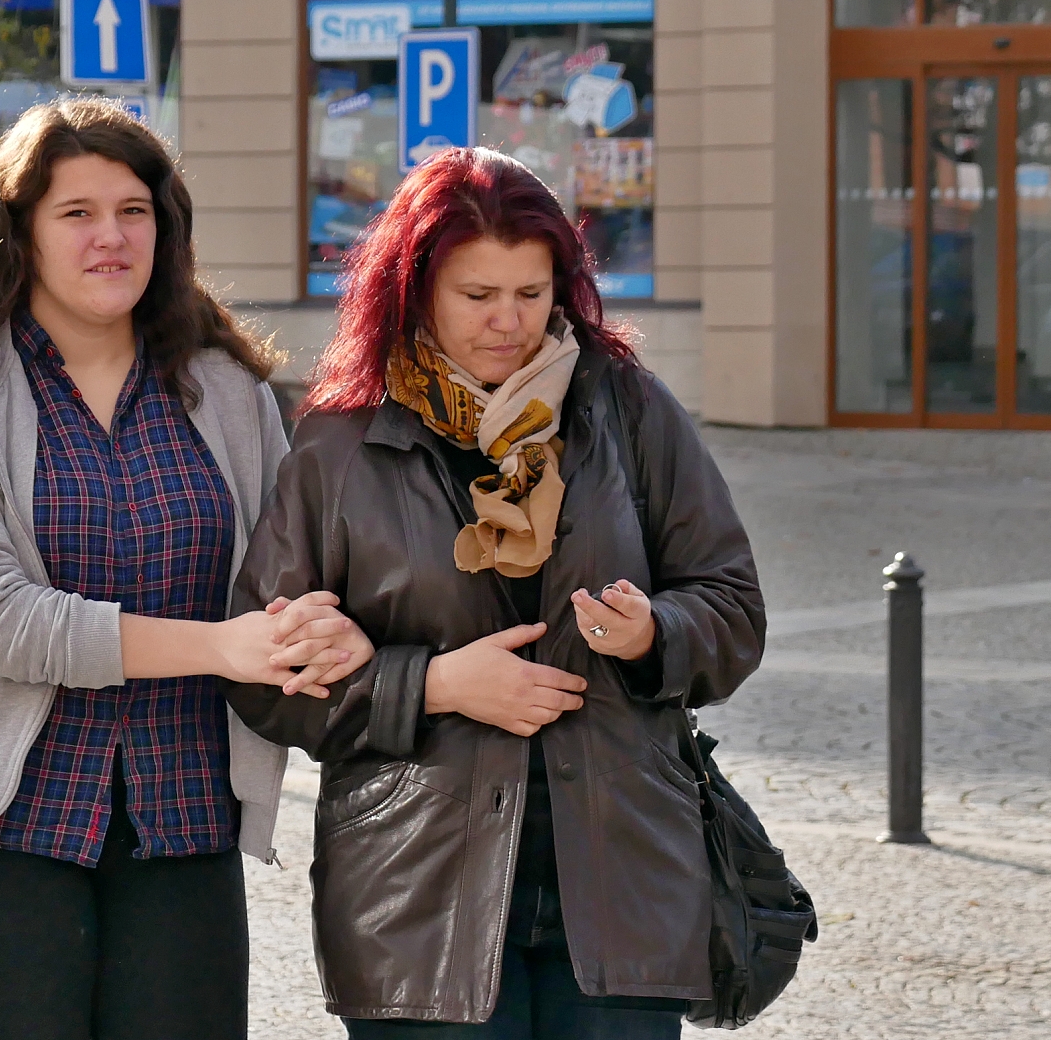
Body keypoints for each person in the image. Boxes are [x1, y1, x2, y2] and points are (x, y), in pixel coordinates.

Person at [221, 147, 766, 1039]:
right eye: (477, 294)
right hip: (418, 899)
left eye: (531, 292)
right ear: (413, 291)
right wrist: (432, 684)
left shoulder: (628, 408)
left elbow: (733, 606)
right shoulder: (341, 442)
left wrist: (652, 633)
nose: (507, 321)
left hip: (623, 888)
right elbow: (263, 673)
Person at [0, 98, 373, 1040]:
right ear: (18, 233)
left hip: (183, 816)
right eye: (77, 212)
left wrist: (319, 627)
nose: (112, 236)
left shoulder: (229, 390)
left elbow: (286, 581)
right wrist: (220, 647)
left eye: (134, 210)